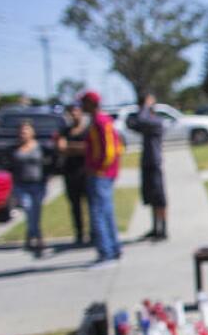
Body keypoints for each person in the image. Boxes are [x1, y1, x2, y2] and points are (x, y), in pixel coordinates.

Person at [81, 90, 123, 266]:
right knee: (106, 212)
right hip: (102, 174)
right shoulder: (98, 121)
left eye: (83, 103)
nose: (81, 106)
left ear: (91, 104)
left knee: (98, 213)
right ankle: (113, 248)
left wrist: (99, 169)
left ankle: (106, 252)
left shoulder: (100, 121)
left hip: (101, 175)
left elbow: (112, 150)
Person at [127, 92, 168, 240]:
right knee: (151, 197)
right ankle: (155, 228)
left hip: (155, 163)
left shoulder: (156, 122)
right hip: (147, 163)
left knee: (159, 198)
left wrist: (146, 105)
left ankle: (163, 229)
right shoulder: (146, 124)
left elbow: (141, 119)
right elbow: (131, 123)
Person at [10, 121, 47, 257]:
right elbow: (9, 166)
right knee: (28, 208)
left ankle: (30, 237)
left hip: (37, 184)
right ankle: (39, 239)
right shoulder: (14, 148)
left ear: (33, 132)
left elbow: (48, 163)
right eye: (22, 131)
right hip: (21, 185)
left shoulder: (40, 147)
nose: (24, 133)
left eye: (26, 130)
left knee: (35, 212)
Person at [55, 103, 90, 244]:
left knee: (91, 204)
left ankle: (94, 233)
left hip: (86, 173)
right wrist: (78, 148)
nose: (74, 114)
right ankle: (79, 233)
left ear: (81, 112)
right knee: (75, 205)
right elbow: (61, 147)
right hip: (70, 173)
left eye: (76, 111)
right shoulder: (65, 130)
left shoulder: (88, 130)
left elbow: (88, 149)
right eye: (71, 112)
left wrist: (71, 147)